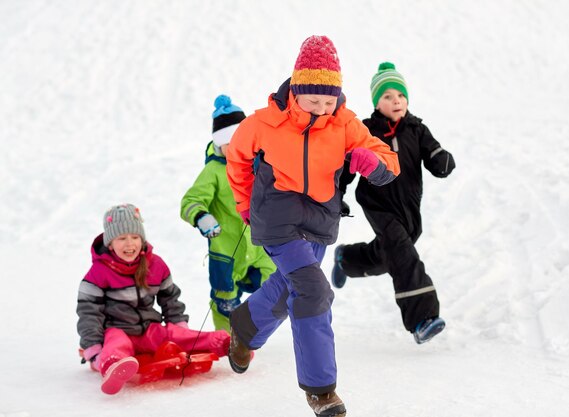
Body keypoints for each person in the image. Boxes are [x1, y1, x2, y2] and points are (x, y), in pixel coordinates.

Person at [225, 36, 400, 417]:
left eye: (328, 101)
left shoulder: (344, 123)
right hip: (277, 219)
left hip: (319, 222)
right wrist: (244, 205)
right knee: (313, 292)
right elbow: (236, 160)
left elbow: (388, 159)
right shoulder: (264, 123)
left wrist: (374, 163)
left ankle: (245, 326)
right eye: (313, 101)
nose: (322, 109)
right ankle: (321, 391)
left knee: (291, 289)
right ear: (296, 93)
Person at [333, 62, 456, 345]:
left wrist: (442, 161)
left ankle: (347, 260)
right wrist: (337, 196)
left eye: (400, 95)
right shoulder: (366, 131)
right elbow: (347, 166)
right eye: (387, 96)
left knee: (391, 254)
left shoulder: (417, 129)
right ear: (377, 102)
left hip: (409, 207)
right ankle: (422, 318)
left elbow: (434, 154)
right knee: (402, 253)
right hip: (378, 203)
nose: (395, 101)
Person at [77, 203, 230, 395]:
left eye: (135, 237)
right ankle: (113, 365)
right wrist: (93, 348)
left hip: (149, 329)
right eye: (122, 238)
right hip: (117, 329)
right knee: (116, 344)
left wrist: (178, 327)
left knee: (179, 336)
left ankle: (226, 344)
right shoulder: (99, 273)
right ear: (110, 243)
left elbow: (170, 299)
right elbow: (89, 312)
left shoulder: (155, 265)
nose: (129, 244)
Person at [180, 95, 276, 331]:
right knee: (225, 297)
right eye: (229, 143)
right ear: (219, 144)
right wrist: (202, 216)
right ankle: (226, 337)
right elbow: (191, 201)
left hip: (259, 246)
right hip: (226, 249)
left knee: (274, 284)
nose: (236, 149)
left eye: (241, 141)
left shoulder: (261, 164)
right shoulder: (213, 171)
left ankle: (254, 327)